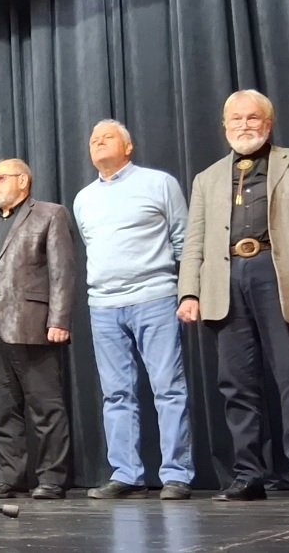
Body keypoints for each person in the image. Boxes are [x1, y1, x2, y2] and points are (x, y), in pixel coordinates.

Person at [177, 90, 289, 502]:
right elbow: (194, 241)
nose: (244, 125)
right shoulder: (207, 178)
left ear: (268, 123)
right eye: (236, 119)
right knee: (236, 384)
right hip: (225, 280)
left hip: (279, 275)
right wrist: (189, 291)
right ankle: (248, 474)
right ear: (225, 126)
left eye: (252, 118)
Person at [72, 120, 195, 501]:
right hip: (103, 305)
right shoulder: (83, 198)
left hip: (155, 298)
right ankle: (127, 474)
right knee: (116, 394)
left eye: (107, 137)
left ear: (128, 147)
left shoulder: (159, 183)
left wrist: (188, 292)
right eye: (93, 139)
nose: (98, 142)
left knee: (168, 389)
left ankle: (176, 474)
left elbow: (183, 240)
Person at [0, 159, 75, 500]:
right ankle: (9, 476)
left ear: (23, 181)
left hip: (32, 324)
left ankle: (52, 478)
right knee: (3, 408)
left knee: (45, 406)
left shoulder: (50, 214)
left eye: (0, 178)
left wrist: (59, 320)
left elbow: (62, 272)